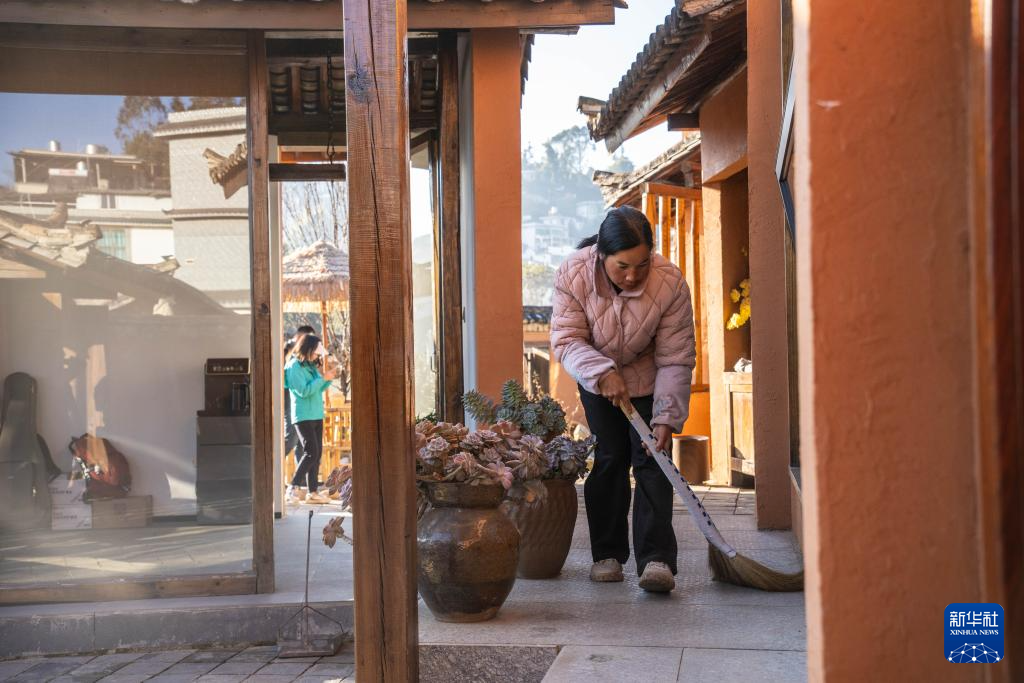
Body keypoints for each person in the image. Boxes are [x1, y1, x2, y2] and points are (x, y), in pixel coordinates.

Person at [551, 206, 695, 593]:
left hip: (650, 379)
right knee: (611, 458)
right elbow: (566, 339)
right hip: (597, 378)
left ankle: (657, 560)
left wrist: (666, 415)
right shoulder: (573, 273)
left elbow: (676, 356)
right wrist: (601, 374)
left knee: (652, 459)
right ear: (601, 255)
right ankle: (607, 555)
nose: (632, 276)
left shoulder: (669, 282)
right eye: (622, 267)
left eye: (641, 264)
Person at [285, 333, 335, 504]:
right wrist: (323, 378)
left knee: (316, 454)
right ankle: (292, 488)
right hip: (303, 415)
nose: (316, 356)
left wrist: (328, 378)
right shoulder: (293, 367)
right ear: (307, 349)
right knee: (310, 453)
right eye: (315, 352)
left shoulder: (310, 366)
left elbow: (318, 388)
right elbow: (303, 391)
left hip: (316, 414)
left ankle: (312, 492)